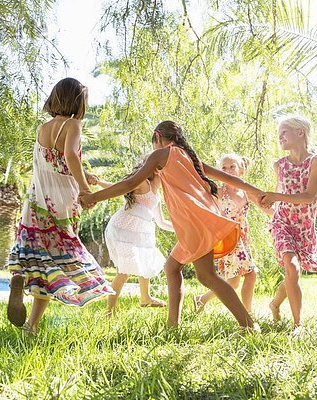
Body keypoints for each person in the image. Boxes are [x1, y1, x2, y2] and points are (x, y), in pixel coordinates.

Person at [80, 121, 264, 330]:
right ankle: (172, 326)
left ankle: (248, 325)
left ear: (158, 137)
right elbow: (227, 177)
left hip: (195, 221)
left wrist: (94, 196)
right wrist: (258, 192)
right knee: (172, 267)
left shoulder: (161, 155)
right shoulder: (188, 158)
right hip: (198, 220)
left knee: (207, 276)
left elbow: (129, 183)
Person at [6, 77, 114, 335]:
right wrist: (85, 190)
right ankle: (31, 324)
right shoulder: (73, 125)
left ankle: (21, 287)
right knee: (59, 259)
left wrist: (82, 176)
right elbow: (69, 157)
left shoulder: (42, 128)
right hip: (62, 202)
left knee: (40, 257)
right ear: (78, 102)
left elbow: (54, 164)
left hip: (37, 200)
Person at [260, 116, 317, 335]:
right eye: (278, 134)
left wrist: (275, 195)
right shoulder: (279, 165)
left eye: (284, 132)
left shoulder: (316, 161)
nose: (279, 137)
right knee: (292, 267)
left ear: (300, 132)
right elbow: (279, 197)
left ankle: (274, 304)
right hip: (282, 222)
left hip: (304, 226)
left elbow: (309, 197)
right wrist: (268, 205)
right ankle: (298, 325)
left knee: (292, 273)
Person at [104, 157, 175, 315]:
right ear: (157, 171)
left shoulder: (156, 196)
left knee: (145, 261)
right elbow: (118, 187)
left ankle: (145, 298)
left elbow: (161, 222)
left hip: (140, 233)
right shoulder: (143, 183)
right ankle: (110, 311)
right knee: (123, 273)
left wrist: (181, 229)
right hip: (123, 230)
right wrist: (99, 183)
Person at [193, 153, 261, 313]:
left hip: (242, 239)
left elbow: (265, 205)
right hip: (228, 239)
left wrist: (279, 214)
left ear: (241, 171)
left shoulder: (246, 193)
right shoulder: (218, 192)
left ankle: (201, 300)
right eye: (224, 168)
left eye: (232, 167)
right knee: (250, 275)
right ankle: (248, 313)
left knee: (233, 282)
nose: (228, 170)